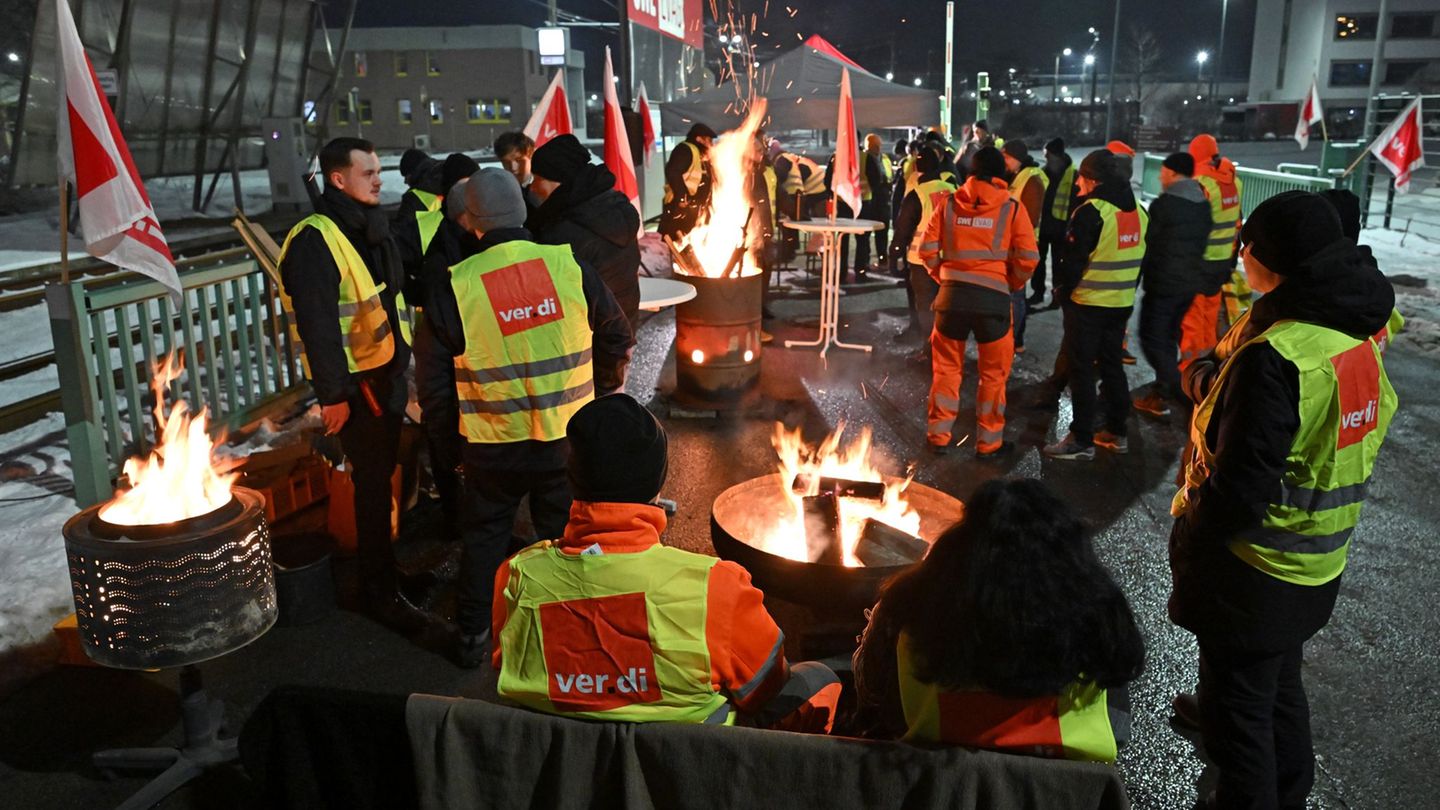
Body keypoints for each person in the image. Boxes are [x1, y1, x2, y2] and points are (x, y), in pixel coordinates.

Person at [1168, 191, 1397, 809]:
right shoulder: (1352, 333)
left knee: (1237, 720)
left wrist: (1191, 539)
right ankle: (1290, 793)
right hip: (1315, 560)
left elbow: (1241, 488)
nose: (1241, 258)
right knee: (1278, 691)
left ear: (1272, 258)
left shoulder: (1280, 354)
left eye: (1247, 248)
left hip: (1255, 568)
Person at [492, 393, 841, 732]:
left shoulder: (516, 577)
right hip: (694, 761)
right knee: (821, 679)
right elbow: (766, 688)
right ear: (657, 487)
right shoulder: (717, 588)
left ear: (572, 480)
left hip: (563, 759)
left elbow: (509, 668)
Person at [425, 168, 634, 667]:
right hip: (566, 439)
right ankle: (572, 636)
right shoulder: (567, 265)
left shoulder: (456, 286)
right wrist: (601, 393)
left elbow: (434, 388)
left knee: (484, 539)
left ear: (472, 222)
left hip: (492, 445)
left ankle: (473, 637)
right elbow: (617, 335)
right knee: (566, 538)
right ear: (522, 210)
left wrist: (449, 449)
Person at [852, 478, 1145, 760]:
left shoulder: (912, 609)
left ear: (962, 546)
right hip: (1066, 777)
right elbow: (1117, 713)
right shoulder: (1099, 619)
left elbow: (873, 690)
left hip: (936, 765)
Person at [276, 137, 419, 629]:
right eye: (368, 173)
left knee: (379, 480)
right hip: (358, 387)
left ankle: (385, 574)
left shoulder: (365, 225)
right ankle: (377, 590)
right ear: (338, 179)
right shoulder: (315, 239)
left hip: (385, 374)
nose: (379, 180)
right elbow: (317, 325)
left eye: (379, 170)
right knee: (372, 485)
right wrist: (333, 396)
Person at [918, 147, 1038, 458]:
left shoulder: (948, 204)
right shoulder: (1011, 208)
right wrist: (1010, 283)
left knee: (946, 371)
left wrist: (945, 278)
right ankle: (989, 444)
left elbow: (926, 250)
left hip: (951, 298)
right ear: (1001, 175)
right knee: (993, 376)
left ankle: (938, 437)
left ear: (970, 172)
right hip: (993, 301)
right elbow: (1028, 258)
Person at [1044, 150, 1148, 461]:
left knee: (1082, 371)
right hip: (1120, 304)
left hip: (1088, 304)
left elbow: (1072, 263)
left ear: (1093, 180)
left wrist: (1063, 292)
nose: (1078, 183)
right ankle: (1116, 432)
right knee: (1112, 366)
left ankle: (1081, 439)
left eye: (1082, 178)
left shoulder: (1092, 212)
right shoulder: (1139, 213)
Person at [409, 153, 481, 542]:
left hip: (473, 395)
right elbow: (438, 349)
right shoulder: (446, 266)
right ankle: (458, 522)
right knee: (451, 449)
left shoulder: (463, 248)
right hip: (454, 391)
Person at [527, 134, 643, 332]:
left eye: (538, 178)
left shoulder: (563, 231)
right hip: (622, 328)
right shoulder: (612, 205)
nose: (533, 187)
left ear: (558, 181)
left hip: (585, 335)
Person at [1133, 152, 1211, 418]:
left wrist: (1138, 280)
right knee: (1167, 339)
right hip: (1189, 285)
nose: (1160, 177)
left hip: (1164, 284)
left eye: (1163, 172)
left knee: (1152, 339)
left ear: (1174, 173)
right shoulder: (1202, 203)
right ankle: (1161, 395)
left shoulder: (1165, 205)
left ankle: (1185, 395)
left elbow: (1149, 247)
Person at [1179, 134, 1244, 373]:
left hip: (1198, 263)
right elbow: (1237, 222)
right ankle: (1209, 366)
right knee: (1209, 315)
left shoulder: (1201, 185)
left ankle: (1190, 370)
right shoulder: (1234, 182)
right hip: (1222, 262)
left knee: (1192, 320)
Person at [889, 148, 956, 345]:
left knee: (925, 306)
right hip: (949, 259)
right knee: (945, 305)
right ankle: (945, 346)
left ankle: (930, 349)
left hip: (922, 260)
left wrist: (894, 254)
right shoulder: (954, 190)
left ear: (918, 169)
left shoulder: (917, 193)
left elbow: (903, 228)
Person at [1003, 140, 1048, 354]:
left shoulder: (1031, 180)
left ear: (1017, 158)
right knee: (1013, 294)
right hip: (1012, 243)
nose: (1004, 161)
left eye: (1007, 157)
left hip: (1021, 245)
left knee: (1017, 294)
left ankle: (1016, 339)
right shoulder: (1017, 176)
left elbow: (1031, 219)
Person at [1035, 137, 1078, 308]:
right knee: (1038, 261)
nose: (1045, 158)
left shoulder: (1074, 175)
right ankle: (1038, 293)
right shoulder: (1043, 172)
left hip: (1062, 227)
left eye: (1048, 155)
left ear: (1058, 155)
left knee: (1058, 265)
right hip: (1043, 225)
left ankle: (1057, 297)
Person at [659, 123, 716, 241]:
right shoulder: (685, 150)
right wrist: (681, 197)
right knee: (671, 239)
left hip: (693, 208)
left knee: (689, 240)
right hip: (680, 207)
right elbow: (673, 172)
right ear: (699, 139)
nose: (711, 144)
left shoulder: (700, 155)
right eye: (709, 140)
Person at [856, 133, 895, 274]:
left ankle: (882, 260)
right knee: (865, 236)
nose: (878, 148)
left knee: (882, 232)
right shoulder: (865, 159)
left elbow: (889, 177)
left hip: (883, 200)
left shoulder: (885, 159)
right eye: (874, 146)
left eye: (879, 145)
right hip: (868, 201)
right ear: (867, 146)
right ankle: (865, 263)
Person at [493, 131, 540, 218]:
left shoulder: (544, 189)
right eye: (506, 162)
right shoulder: (497, 193)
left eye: (519, 160)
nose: (513, 168)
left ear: (531, 156)